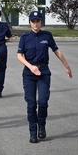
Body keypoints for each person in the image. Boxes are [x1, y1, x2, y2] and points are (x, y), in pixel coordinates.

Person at [17, 11, 72, 143]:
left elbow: (56, 51)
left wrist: (66, 65)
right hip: (29, 74)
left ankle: (41, 125)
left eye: (38, 21)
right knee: (31, 104)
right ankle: (33, 132)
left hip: (44, 73)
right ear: (30, 22)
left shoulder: (47, 36)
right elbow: (19, 55)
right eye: (33, 21)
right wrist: (30, 66)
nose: (35, 24)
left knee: (42, 101)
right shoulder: (24, 37)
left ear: (41, 22)